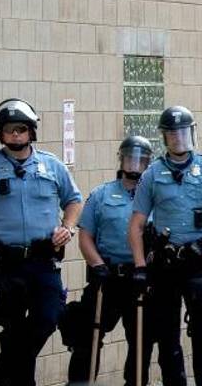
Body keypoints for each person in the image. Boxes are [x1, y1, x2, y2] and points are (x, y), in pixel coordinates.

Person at [0, 98, 84, 385]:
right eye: (9, 130)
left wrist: (67, 228)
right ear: (1, 134)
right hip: (5, 262)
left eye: (20, 129)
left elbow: (74, 201)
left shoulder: (52, 165)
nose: (15, 135)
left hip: (43, 260)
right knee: (14, 329)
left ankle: (0, 370)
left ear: (31, 131)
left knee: (48, 317)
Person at [127, 106, 202, 386]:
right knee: (167, 338)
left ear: (192, 133)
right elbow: (136, 225)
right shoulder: (152, 174)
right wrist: (140, 266)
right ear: (164, 137)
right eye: (171, 134)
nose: (178, 139)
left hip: (200, 261)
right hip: (166, 264)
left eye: (183, 133)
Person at [64, 136, 154, 385]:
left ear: (148, 164)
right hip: (107, 276)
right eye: (130, 158)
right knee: (88, 334)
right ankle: (81, 382)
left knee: (140, 339)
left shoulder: (154, 198)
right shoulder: (101, 194)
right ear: (121, 159)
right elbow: (86, 236)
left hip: (139, 278)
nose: (134, 165)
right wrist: (97, 265)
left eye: (140, 160)